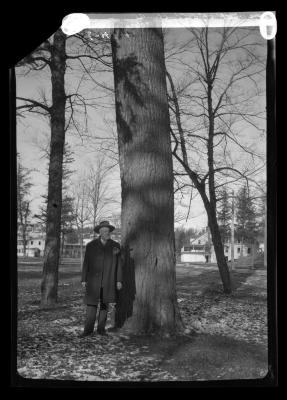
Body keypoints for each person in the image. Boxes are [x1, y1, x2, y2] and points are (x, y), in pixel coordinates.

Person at [80, 220, 123, 337]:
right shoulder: (91, 245)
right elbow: (86, 263)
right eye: (104, 231)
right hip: (93, 280)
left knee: (105, 304)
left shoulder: (115, 246)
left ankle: (101, 330)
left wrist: (119, 280)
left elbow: (119, 264)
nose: (106, 233)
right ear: (99, 232)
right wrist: (84, 279)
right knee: (91, 305)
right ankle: (87, 330)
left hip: (109, 279)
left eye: (108, 231)